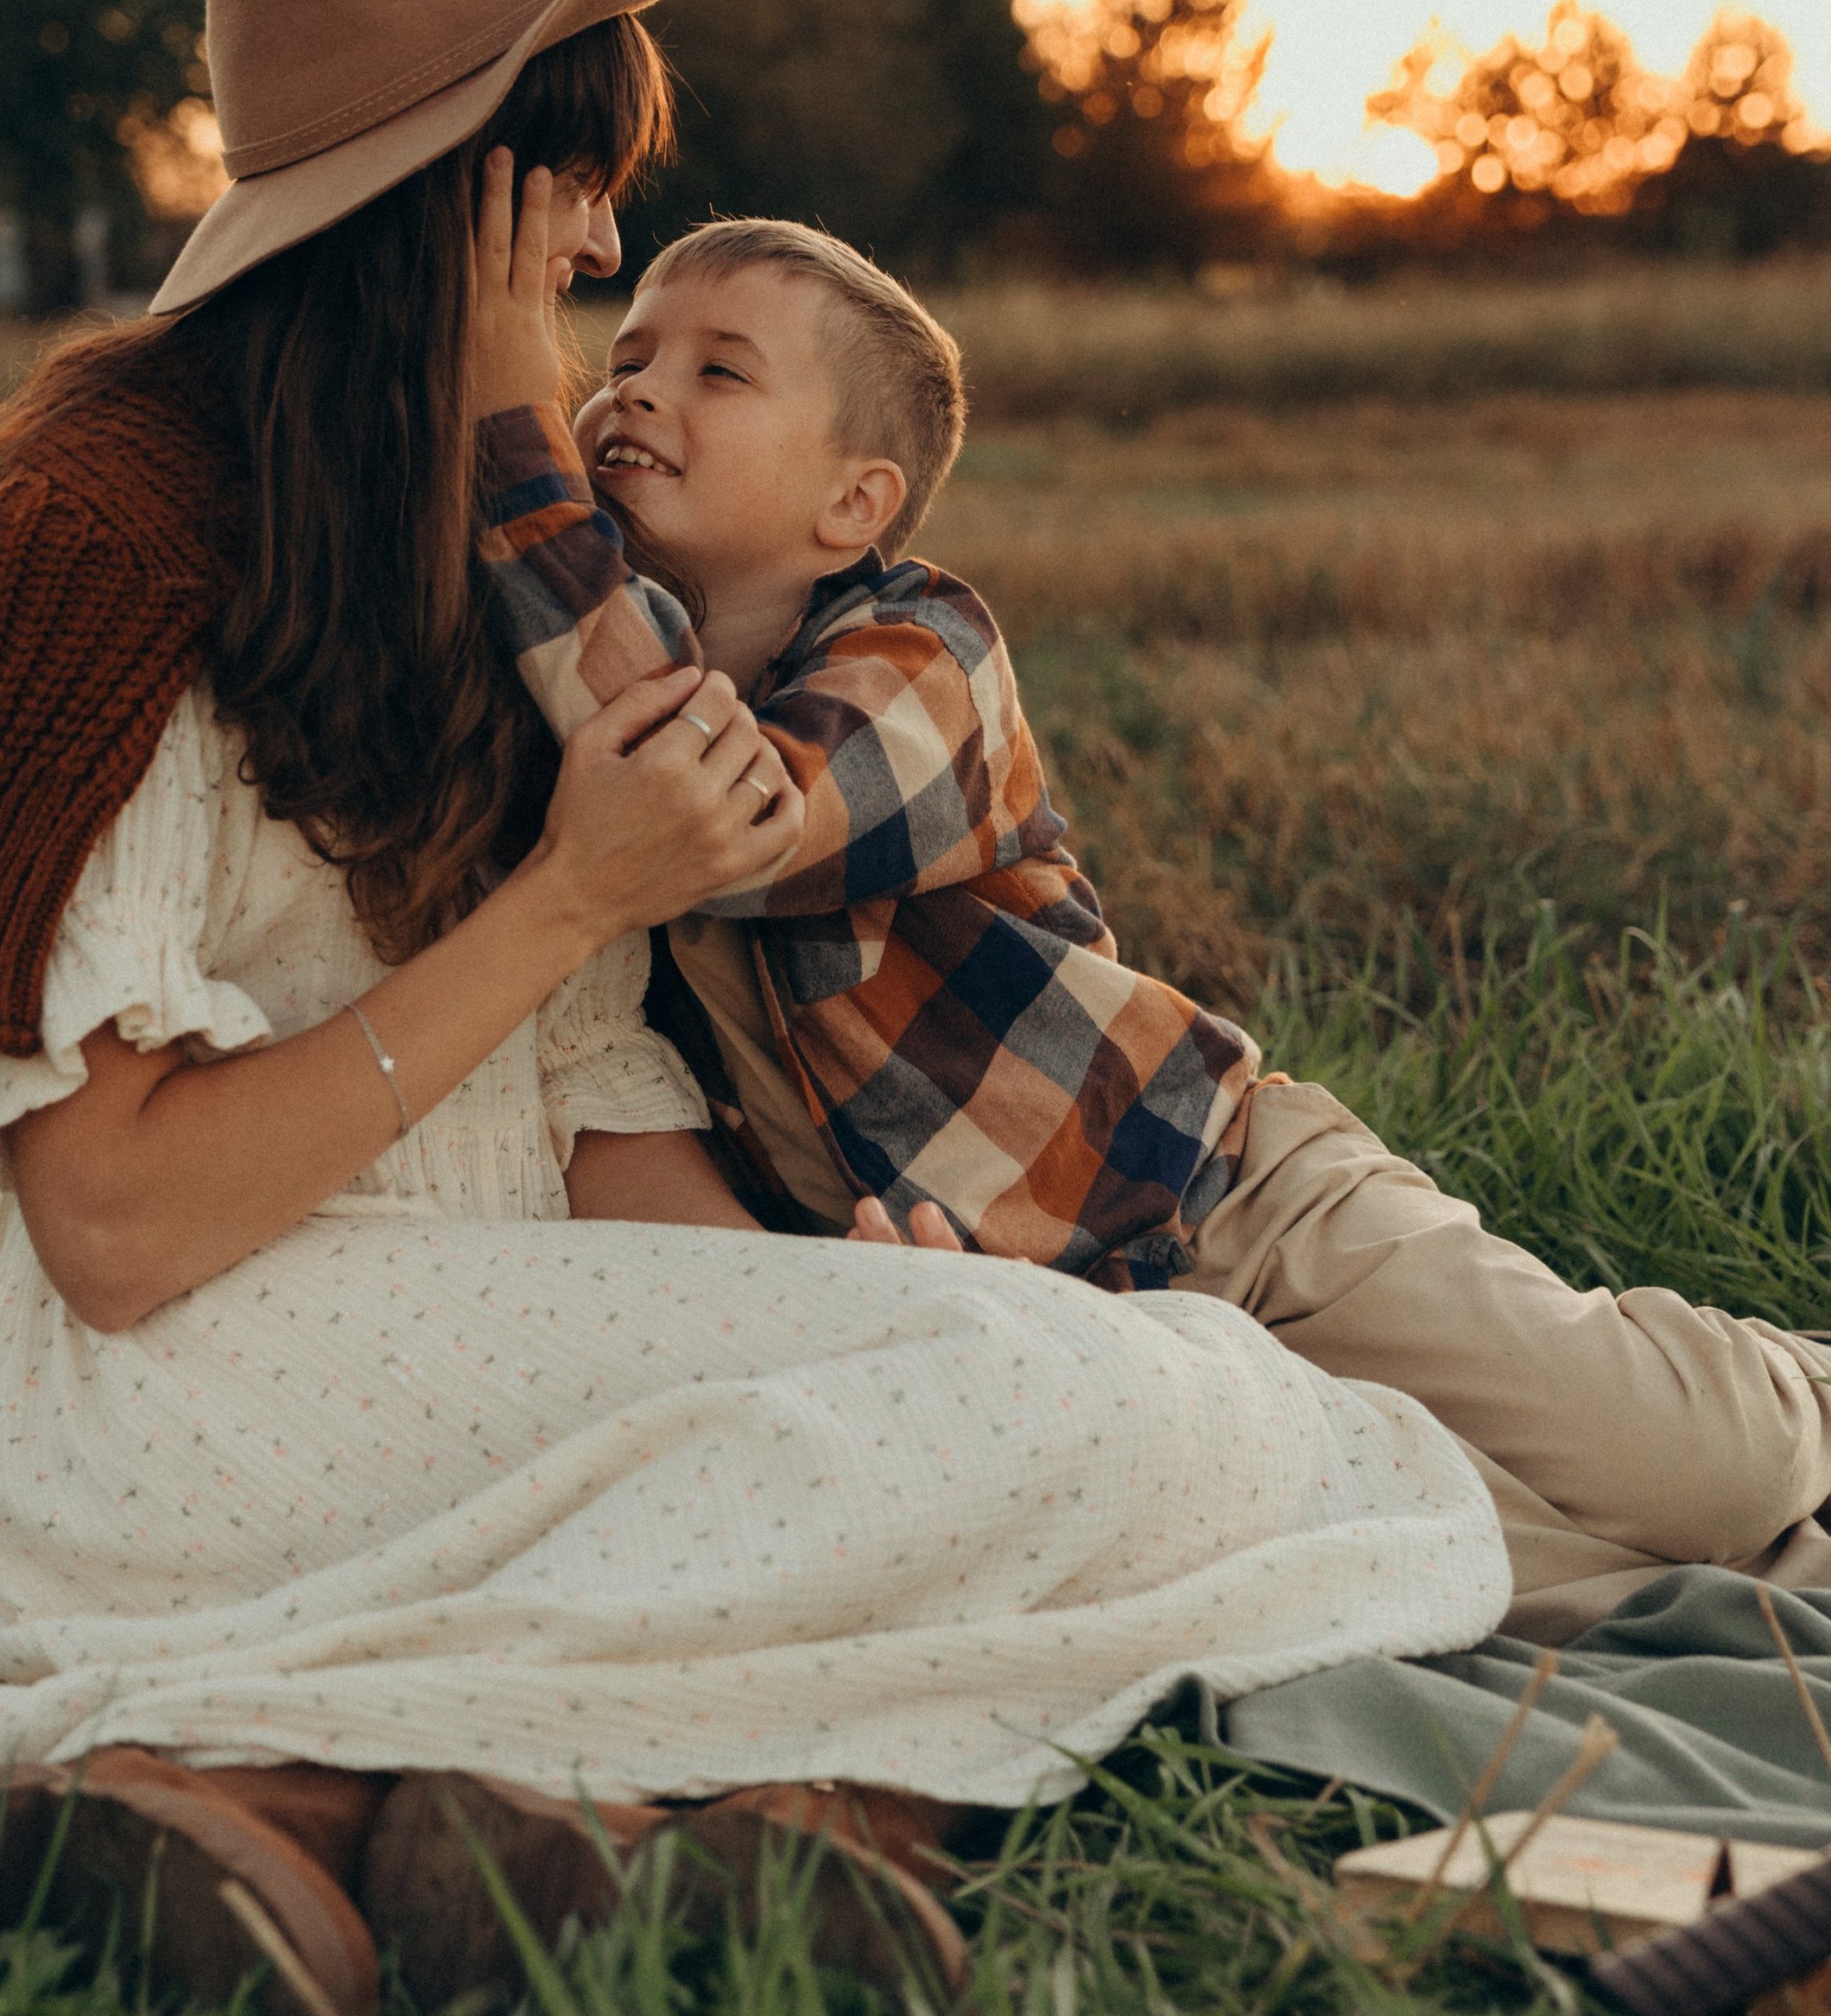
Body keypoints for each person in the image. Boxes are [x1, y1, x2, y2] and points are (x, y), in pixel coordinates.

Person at [0, 0, 1507, 2014]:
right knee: (1205, 1434)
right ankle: (438, 1792)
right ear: (458, 189)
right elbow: (114, 1226)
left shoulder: (479, 532)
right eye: (572, 194)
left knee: (1133, 1393)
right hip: (189, 1389)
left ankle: (508, 1813)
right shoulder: (88, 525)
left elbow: (587, 1099)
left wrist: (856, 1325)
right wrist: (567, 895)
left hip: (493, 1333)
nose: (603, 242)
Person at [474, 203, 1831, 1647]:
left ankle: (1805, 1384)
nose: (633, 391)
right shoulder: (568, 698)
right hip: (1086, 1338)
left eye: (718, 372)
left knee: (1701, 1465)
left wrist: (510, 420)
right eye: (621, 359)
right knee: (1497, 1562)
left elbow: (716, 819)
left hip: (1233, 1195)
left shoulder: (923, 657)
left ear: (857, 505)